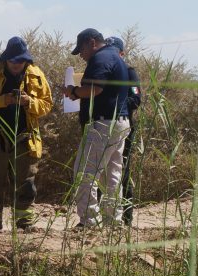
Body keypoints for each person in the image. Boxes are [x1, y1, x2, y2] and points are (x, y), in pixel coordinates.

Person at [0, 37, 53, 231]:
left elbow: (46, 105)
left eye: (21, 61)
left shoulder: (36, 75)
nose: (17, 65)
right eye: (13, 61)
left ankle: (24, 227)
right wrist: (4, 100)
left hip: (25, 138)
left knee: (25, 184)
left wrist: (28, 102)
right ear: (6, 59)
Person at [62, 28, 132, 228]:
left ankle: (90, 222)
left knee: (85, 173)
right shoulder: (114, 56)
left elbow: (95, 88)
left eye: (81, 50)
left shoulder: (100, 58)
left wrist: (73, 91)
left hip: (103, 124)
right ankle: (113, 222)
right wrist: (78, 94)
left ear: (92, 42)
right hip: (119, 122)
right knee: (112, 175)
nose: (82, 56)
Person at [106, 36, 143, 225]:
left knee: (122, 170)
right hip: (102, 125)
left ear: (122, 53)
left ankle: (126, 218)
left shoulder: (129, 72)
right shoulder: (103, 70)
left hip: (123, 125)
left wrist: (115, 104)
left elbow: (136, 99)